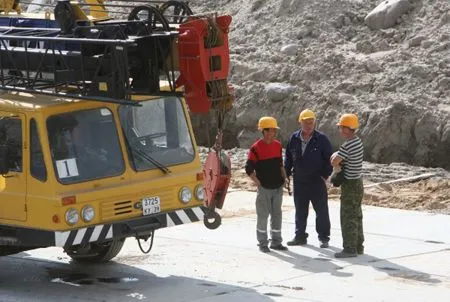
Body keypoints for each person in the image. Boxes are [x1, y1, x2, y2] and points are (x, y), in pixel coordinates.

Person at [284, 109, 333, 248]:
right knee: (300, 210)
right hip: (299, 180)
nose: (309, 125)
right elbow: (288, 158)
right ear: (300, 123)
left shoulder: (321, 139)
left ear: (315, 122)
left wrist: (325, 175)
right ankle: (300, 236)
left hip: (317, 180)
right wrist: (286, 174)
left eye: (311, 122)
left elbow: (329, 159)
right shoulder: (294, 138)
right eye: (306, 123)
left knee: (321, 210)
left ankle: (324, 237)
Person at [245, 116, 288, 253]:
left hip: (278, 187)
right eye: (271, 130)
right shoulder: (255, 148)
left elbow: (280, 164)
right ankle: (262, 243)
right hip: (264, 188)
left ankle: (276, 241)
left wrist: (285, 178)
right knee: (263, 216)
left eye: (274, 131)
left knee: (277, 215)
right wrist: (259, 184)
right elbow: (248, 169)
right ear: (263, 131)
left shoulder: (278, 145)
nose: (273, 133)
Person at [331, 113, 364, 258]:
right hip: (358, 182)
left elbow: (335, 161)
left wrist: (337, 168)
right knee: (357, 215)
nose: (340, 131)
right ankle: (358, 245)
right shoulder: (358, 142)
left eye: (342, 127)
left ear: (347, 128)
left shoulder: (348, 144)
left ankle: (349, 249)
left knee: (347, 217)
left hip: (350, 184)